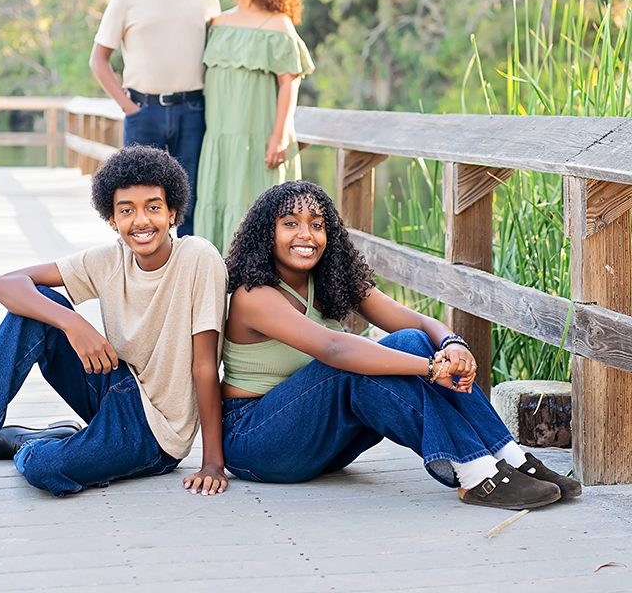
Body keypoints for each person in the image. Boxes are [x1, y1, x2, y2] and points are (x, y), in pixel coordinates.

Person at [0, 146, 228, 501]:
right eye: (126, 210)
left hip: (155, 433)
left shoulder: (197, 258)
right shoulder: (109, 260)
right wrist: (72, 322)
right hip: (114, 384)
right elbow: (6, 284)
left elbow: (204, 366)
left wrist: (212, 462)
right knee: (35, 305)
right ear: (112, 220)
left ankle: (30, 442)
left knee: (43, 468)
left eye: (153, 207)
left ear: (173, 213)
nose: (141, 220)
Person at [220, 180, 582, 510]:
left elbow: (418, 324)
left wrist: (452, 344)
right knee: (352, 368)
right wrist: (431, 368)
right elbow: (334, 349)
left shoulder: (330, 279)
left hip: (319, 443)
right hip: (257, 441)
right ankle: (475, 472)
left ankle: (510, 456)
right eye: (290, 224)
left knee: (411, 340)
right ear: (266, 233)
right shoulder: (255, 295)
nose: (307, 235)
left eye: (317, 225)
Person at [89, 0, 220, 236]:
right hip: (144, 111)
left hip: (193, 110)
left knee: (190, 199)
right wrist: (128, 107)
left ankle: (188, 263)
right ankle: (141, 264)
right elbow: (98, 60)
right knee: (139, 198)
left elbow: (219, 54)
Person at [194, 0, 314, 252]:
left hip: (259, 142)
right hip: (219, 141)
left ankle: (260, 283)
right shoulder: (217, 24)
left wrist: (280, 136)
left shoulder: (278, 25)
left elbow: (289, 83)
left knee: (257, 214)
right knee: (218, 212)